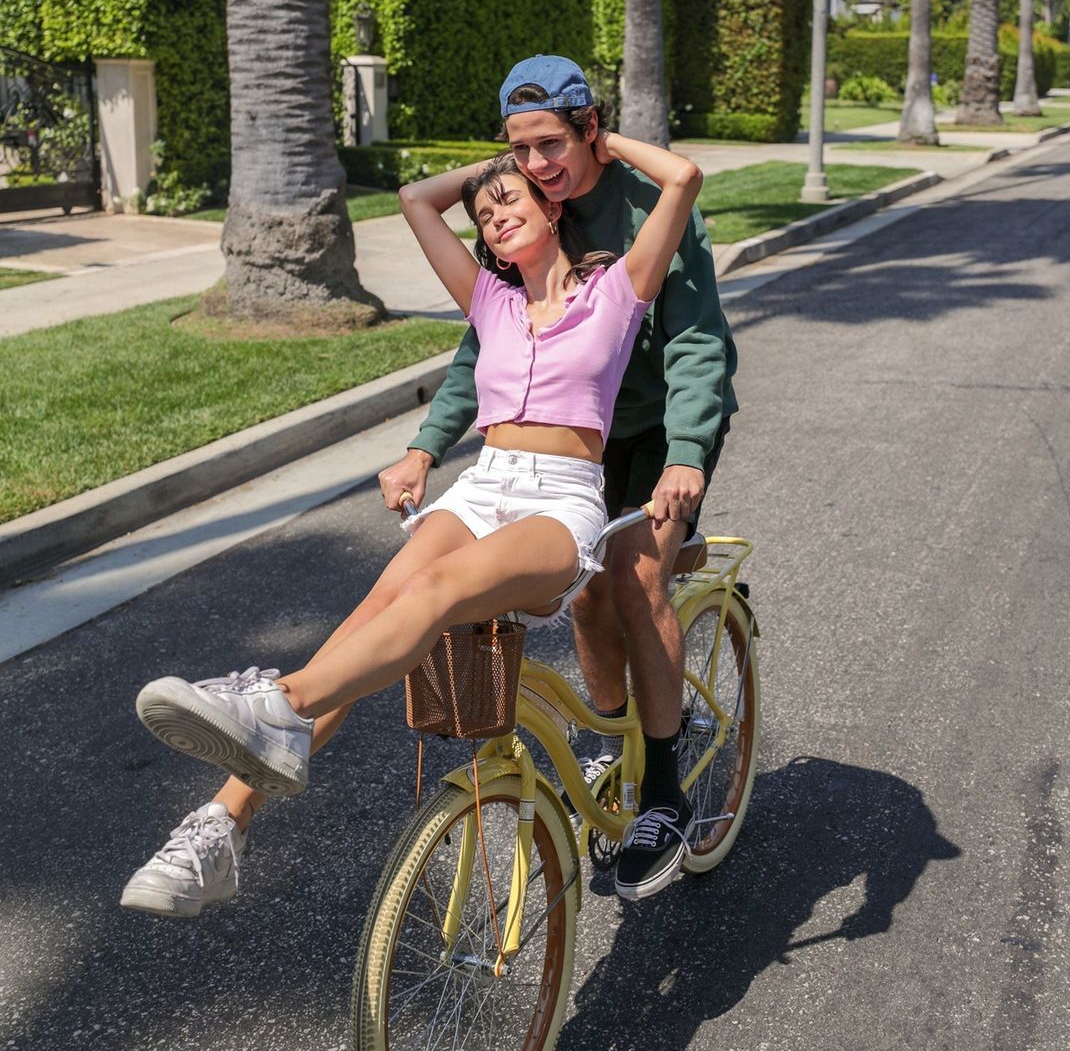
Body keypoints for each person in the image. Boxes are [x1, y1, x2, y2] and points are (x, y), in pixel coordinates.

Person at [120, 121, 704, 917]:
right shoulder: (489, 301)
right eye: (487, 216)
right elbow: (414, 199)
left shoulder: (616, 292)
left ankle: (278, 704)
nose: (496, 216)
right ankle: (219, 827)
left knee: (436, 592)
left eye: (515, 202)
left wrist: (580, 153)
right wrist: (499, 173)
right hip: (482, 484)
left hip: (561, 500)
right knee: (370, 615)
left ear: (555, 207)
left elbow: (683, 179)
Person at [380, 56, 738, 901]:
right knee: (580, 594)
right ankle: (615, 734)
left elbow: (695, 340)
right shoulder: (525, 214)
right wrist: (428, 445)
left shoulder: (650, 207)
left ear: (592, 130)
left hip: (655, 429)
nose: (538, 167)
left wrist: (688, 450)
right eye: (518, 150)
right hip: (576, 443)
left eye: (552, 144)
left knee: (633, 571)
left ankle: (662, 794)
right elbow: (487, 349)